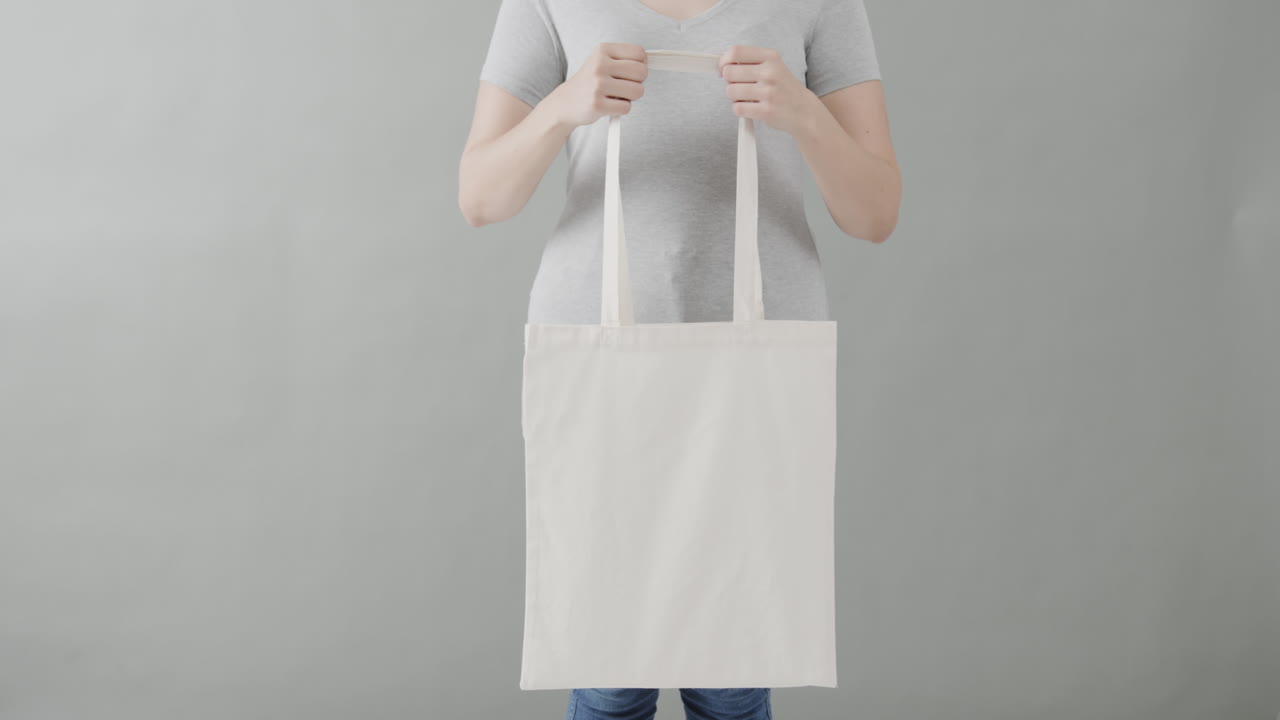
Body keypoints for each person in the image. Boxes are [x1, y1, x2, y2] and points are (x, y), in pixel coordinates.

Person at [460, 0, 900, 717]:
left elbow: (876, 212)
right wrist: (565, 107)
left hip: (755, 367)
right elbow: (479, 197)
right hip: (602, 360)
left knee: (732, 675)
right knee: (610, 677)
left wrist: (804, 115)